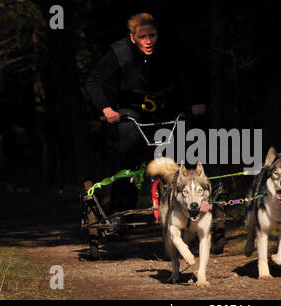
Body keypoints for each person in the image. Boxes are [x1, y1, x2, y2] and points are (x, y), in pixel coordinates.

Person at [86, 13, 207, 214]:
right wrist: (107, 109)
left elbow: (197, 71)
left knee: (181, 158)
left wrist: (198, 101)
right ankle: (121, 215)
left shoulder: (172, 47)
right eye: (142, 37)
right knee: (129, 160)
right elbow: (94, 81)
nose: (148, 41)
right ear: (133, 38)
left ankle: (190, 207)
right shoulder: (120, 52)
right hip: (132, 113)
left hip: (169, 109)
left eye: (152, 35)